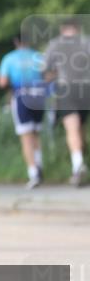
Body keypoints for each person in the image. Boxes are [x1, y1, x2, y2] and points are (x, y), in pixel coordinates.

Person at [44, 17, 89, 187]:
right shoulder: (86, 42)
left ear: (63, 29)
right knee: (80, 127)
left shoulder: (55, 45)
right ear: (77, 28)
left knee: (72, 127)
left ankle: (78, 165)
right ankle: (81, 164)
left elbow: (47, 73)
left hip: (66, 89)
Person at [0, 35, 47, 189]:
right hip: (39, 95)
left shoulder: (9, 58)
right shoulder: (38, 56)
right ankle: (39, 165)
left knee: (26, 137)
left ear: (15, 41)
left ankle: (33, 173)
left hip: (22, 96)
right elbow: (50, 75)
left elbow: (2, 82)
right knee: (36, 134)